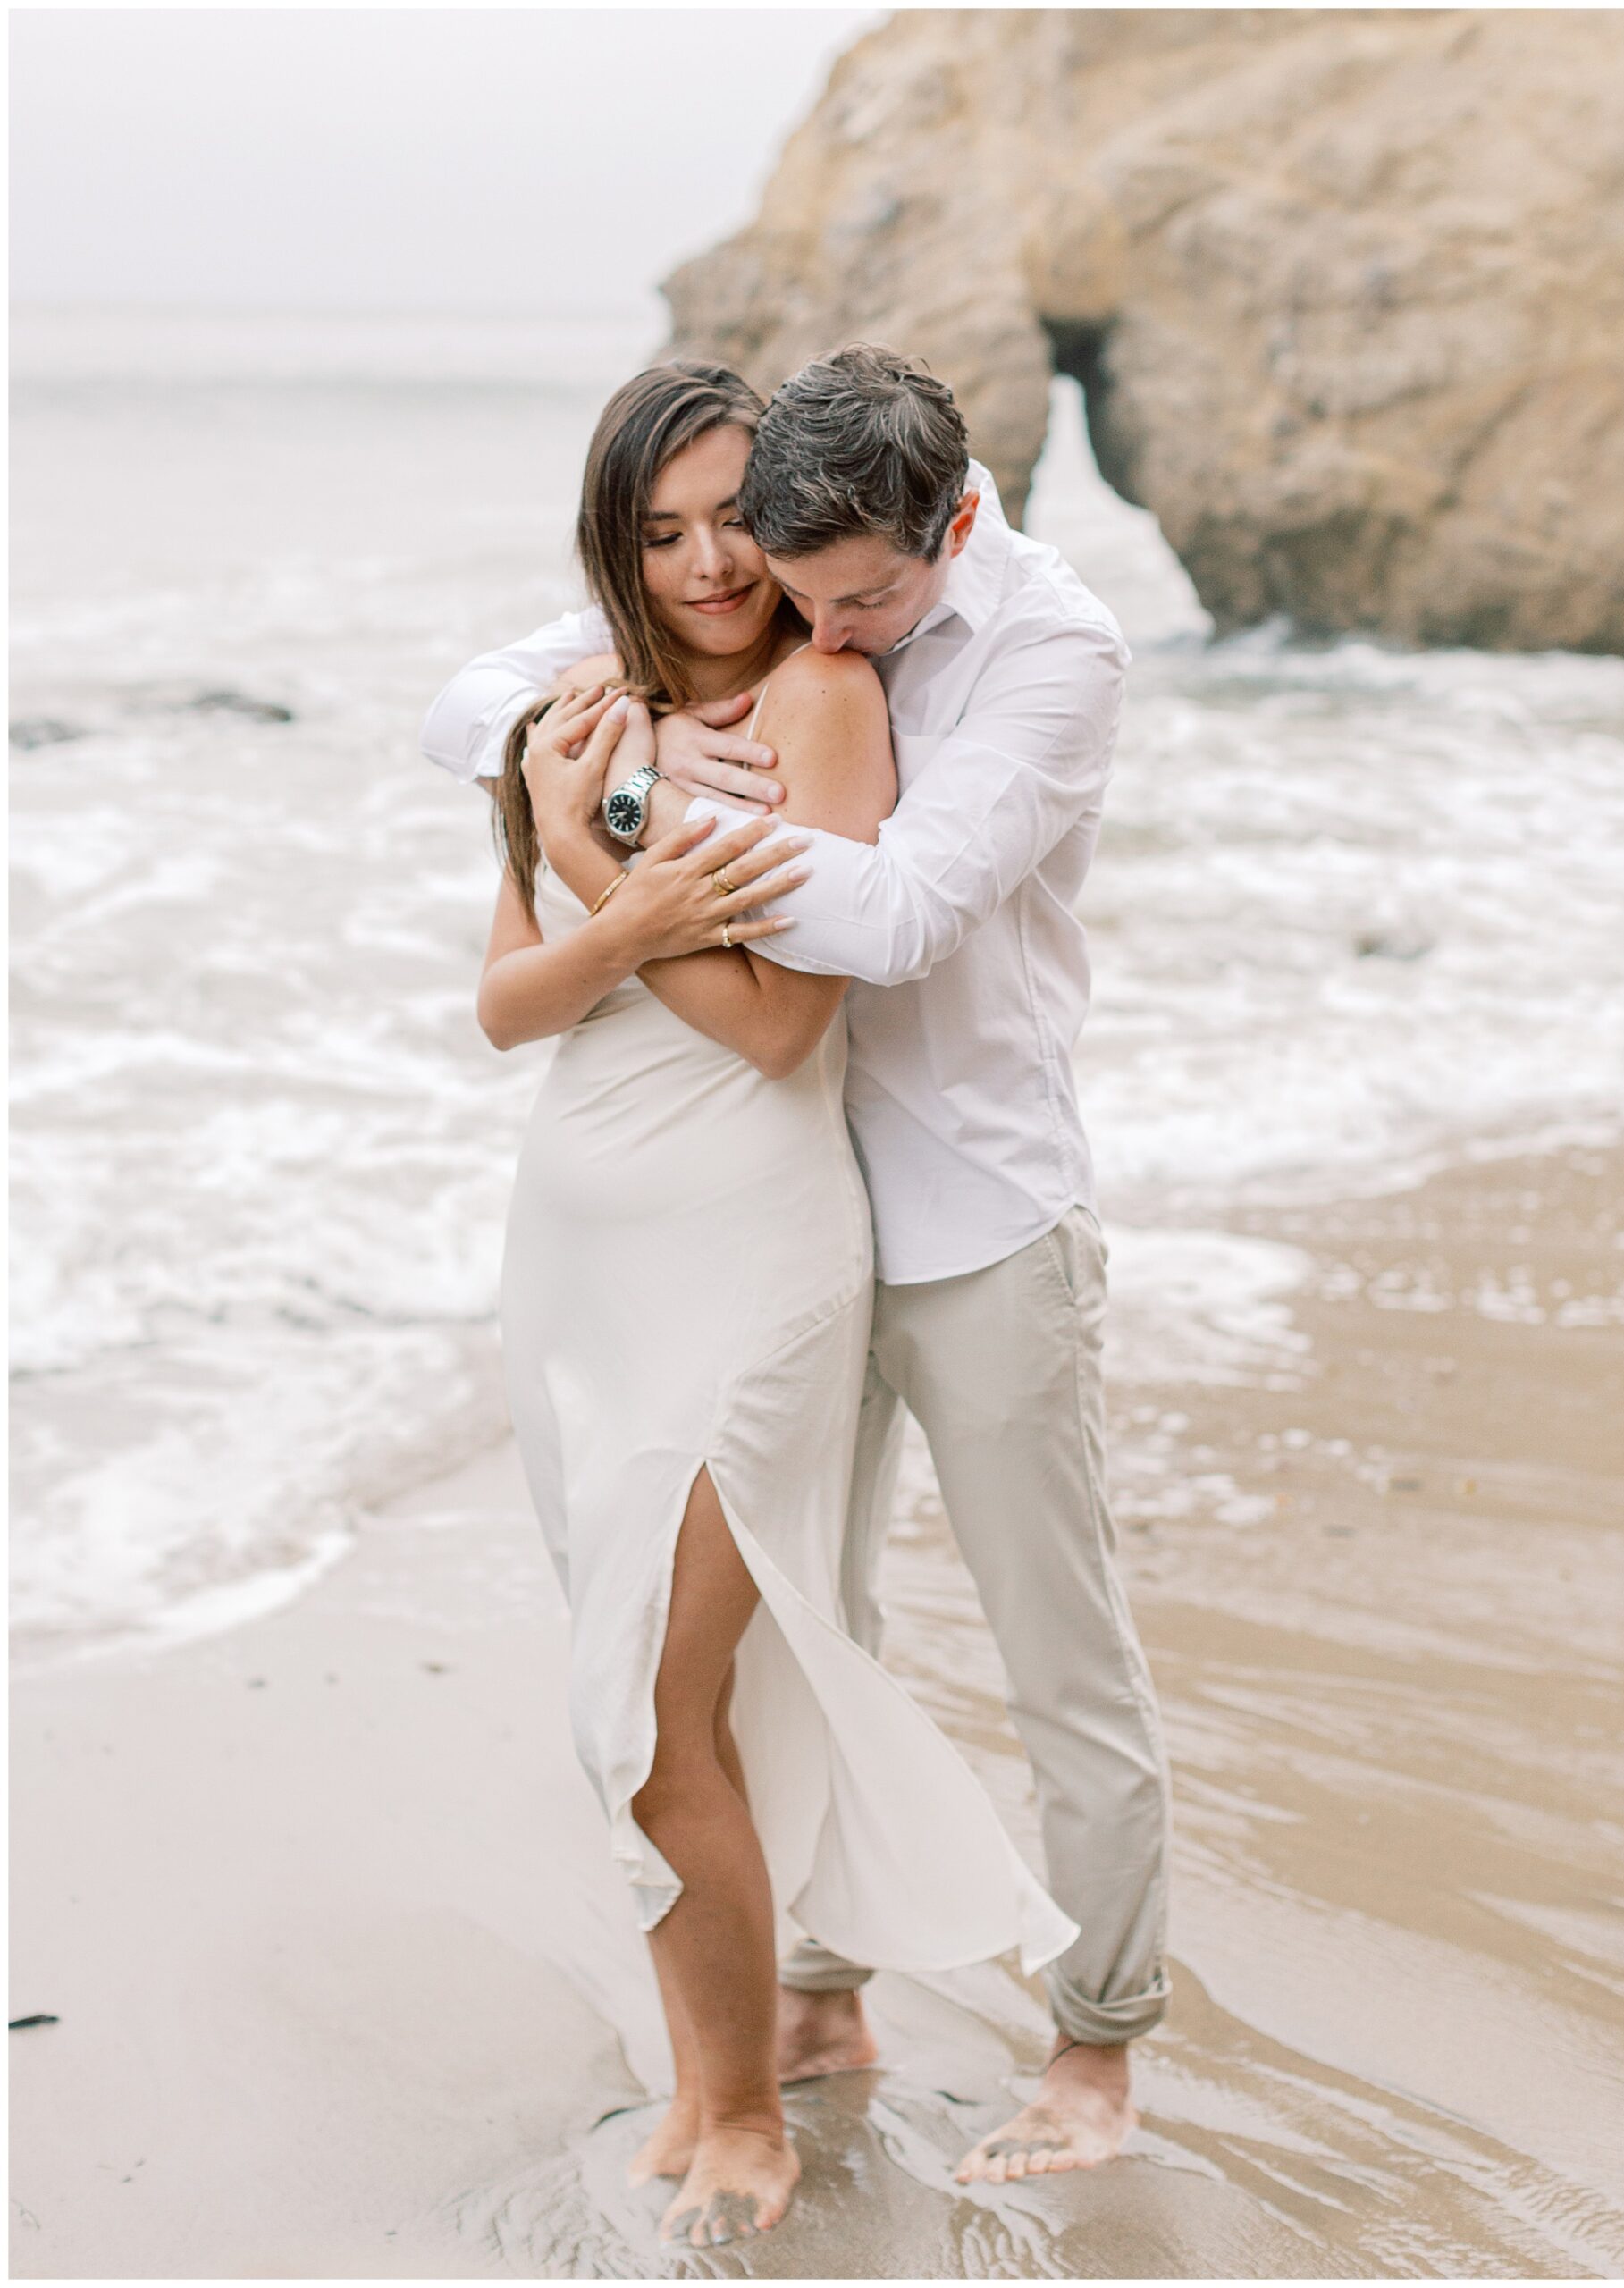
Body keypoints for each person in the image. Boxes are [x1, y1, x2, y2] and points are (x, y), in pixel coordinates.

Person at [425, 345, 1172, 2190]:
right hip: (784, 1215)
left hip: (974, 1209)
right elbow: (479, 698)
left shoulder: (1038, 652)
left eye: (858, 596)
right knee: (803, 1640)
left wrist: (618, 835)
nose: (814, 614)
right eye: (765, 561)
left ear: (950, 522)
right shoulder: (746, 611)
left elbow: (896, 917)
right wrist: (566, 754)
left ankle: (1099, 2045)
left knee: (1056, 1653)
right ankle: (817, 2001)